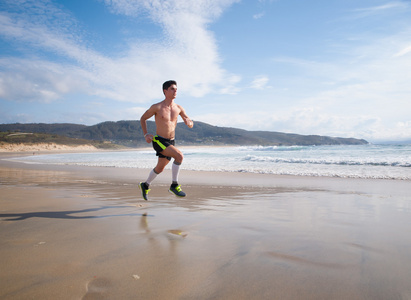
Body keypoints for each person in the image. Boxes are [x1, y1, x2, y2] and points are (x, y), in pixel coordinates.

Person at [139, 80, 194, 201]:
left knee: (160, 168)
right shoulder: (157, 107)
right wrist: (146, 134)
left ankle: (145, 184)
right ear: (165, 91)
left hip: (171, 141)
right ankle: (174, 185)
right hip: (159, 140)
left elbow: (188, 120)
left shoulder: (179, 108)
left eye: (176, 89)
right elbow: (143, 118)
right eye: (172, 89)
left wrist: (189, 123)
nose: (175, 91)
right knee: (179, 156)